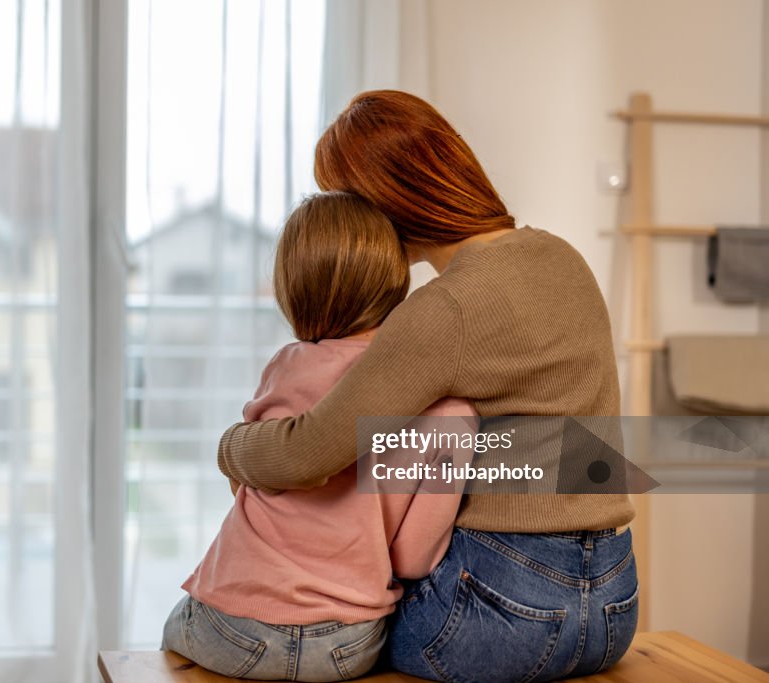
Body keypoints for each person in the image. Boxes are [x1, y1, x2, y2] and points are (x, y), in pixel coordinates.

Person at [217, 91, 639, 682]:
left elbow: (308, 453)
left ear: (389, 202)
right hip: (615, 606)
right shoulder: (559, 254)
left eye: (352, 206)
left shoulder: (443, 309)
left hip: (507, 615)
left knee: (330, 637)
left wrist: (231, 446)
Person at [162, 192, 477, 682]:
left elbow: (248, 479)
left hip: (232, 629)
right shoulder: (449, 411)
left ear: (293, 289)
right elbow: (414, 558)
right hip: (347, 645)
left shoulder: (289, 367)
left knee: (172, 635)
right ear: (397, 280)